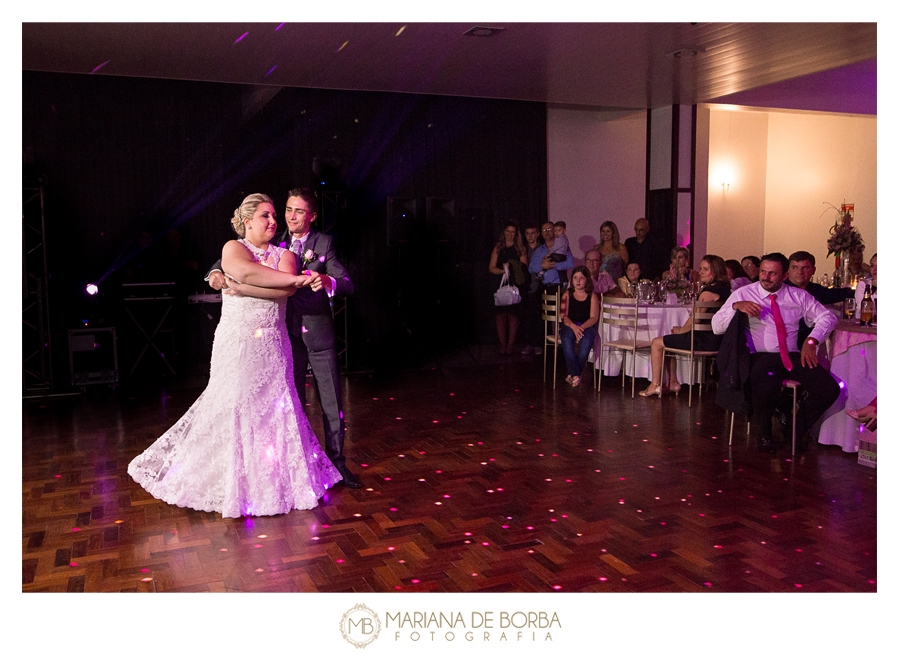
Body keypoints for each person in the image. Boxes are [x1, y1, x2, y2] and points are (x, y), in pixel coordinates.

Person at [129, 193, 343, 517]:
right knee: (236, 405)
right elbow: (248, 273)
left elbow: (283, 290)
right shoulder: (233, 248)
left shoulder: (283, 255)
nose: (274, 222)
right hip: (238, 342)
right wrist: (262, 283)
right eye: (266, 216)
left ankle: (274, 485)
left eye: (274, 216)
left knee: (275, 410)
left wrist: (250, 287)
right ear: (246, 221)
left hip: (273, 344)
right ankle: (233, 486)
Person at [208, 188, 360, 488]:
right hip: (282, 336)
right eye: (287, 210)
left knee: (330, 402)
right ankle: (302, 464)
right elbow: (234, 258)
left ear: (312, 216)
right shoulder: (272, 240)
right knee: (291, 404)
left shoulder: (324, 244)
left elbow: (346, 284)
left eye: (298, 211)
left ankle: (338, 464)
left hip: (317, 332)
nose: (289, 216)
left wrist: (327, 280)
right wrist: (214, 271)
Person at [712, 253, 839, 453]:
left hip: (791, 355)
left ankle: (795, 427)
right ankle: (764, 433)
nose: (766, 277)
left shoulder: (797, 295)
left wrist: (812, 339)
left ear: (784, 275)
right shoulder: (744, 293)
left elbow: (828, 317)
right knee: (766, 377)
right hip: (759, 355)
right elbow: (716, 327)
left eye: (772, 273)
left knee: (829, 388)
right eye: (763, 271)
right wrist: (736, 307)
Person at [639, 255, 731, 397]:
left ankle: (655, 384)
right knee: (670, 338)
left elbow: (696, 320)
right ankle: (673, 382)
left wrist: (681, 330)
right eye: (701, 268)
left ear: (716, 271)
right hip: (719, 340)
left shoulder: (707, 293)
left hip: (703, 341)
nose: (701, 272)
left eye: (705, 269)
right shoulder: (726, 290)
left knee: (656, 343)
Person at [489, 221, 529, 355]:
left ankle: (510, 346)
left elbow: (525, 267)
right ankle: (502, 345)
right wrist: (503, 271)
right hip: (500, 285)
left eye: (513, 232)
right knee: (500, 316)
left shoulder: (520, 248)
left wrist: (512, 268)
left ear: (516, 233)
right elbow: (491, 267)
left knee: (513, 315)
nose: (510, 234)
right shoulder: (498, 247)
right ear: (504, 232)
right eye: (508, 231)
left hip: (515, 285)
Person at [559, 266, 600, 387]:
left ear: (587, 280)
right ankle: (576, 375)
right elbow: (564, 316)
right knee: (567, 339)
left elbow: (593, 317)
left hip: (586, 326)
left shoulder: (592, 296)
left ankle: (572, 374)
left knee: (587, 340)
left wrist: (581, 328)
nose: (577, 281)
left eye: (581, 278)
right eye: (575, 278)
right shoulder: (567, 295)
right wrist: (574, 327)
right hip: (569, 325)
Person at [520, 225, 544, 355]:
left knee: (539, 317)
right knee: (528, 317)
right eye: (527, 233)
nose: (530, 236)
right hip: (526, 286)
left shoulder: (543, 248)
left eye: (532, 233)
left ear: (537, 234)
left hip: (539, 285)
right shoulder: (523, 249)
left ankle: (538, 344)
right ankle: (529, 343)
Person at [529, 221, 574, 292]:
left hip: (558, 287)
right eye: (544, 230)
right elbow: (531, 268)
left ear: (554, 231)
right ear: (541, 233)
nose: (547, 232)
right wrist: (542, 266)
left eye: (549, 229)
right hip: (542, 287)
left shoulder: (563, 247)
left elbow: (570, 263)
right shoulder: (539, 250)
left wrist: (553, 265)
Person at [853, 252, 876, 318]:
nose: (874, 268)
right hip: (864, 325)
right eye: (872, 265)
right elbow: (864, 309)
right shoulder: (864, 285)